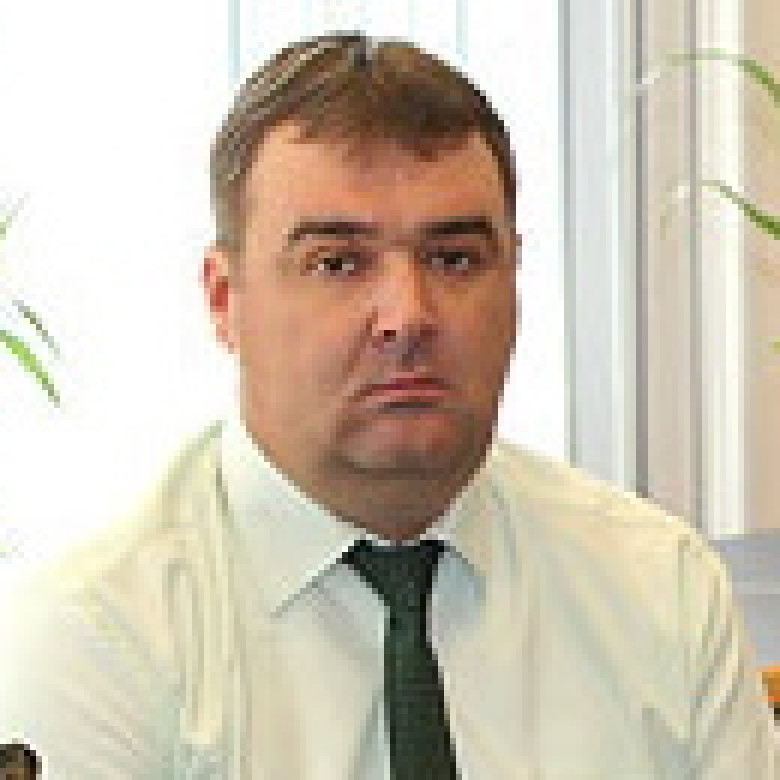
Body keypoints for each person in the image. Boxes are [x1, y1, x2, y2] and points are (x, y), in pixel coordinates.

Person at [0, 32, 775, 779]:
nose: (408, 314)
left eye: (454, 259)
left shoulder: (659, 593)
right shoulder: (92, 638)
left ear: (514, 282)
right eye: (338, 263)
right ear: (224, 299)